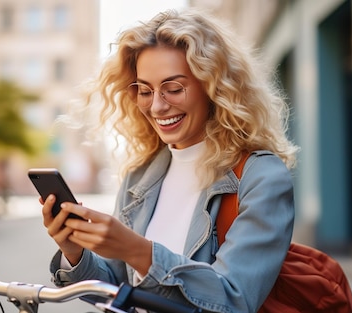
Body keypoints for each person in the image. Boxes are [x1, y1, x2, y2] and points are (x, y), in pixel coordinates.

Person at [40, 8, 299, 313]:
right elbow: (112, 291)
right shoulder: (141, 175)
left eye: (173, 88)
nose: (158, 106)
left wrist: (137, 250)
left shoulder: (261, 176)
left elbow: (235, 299)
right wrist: (74, 252)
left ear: (213, 85)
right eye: (145, 90)